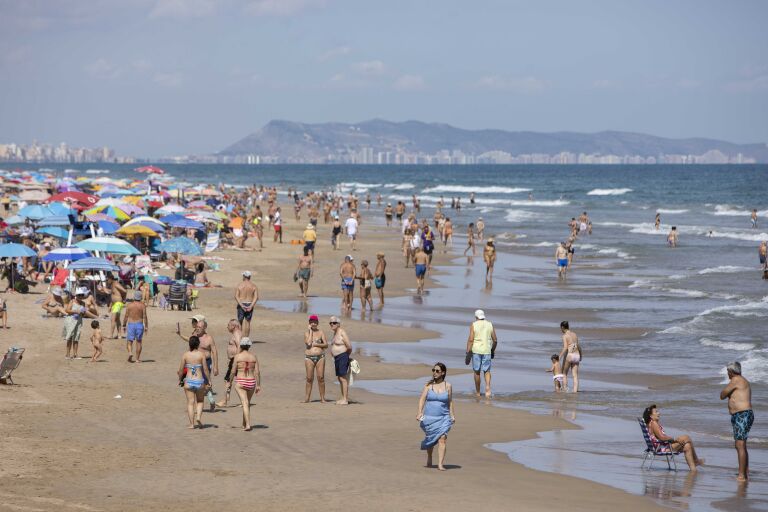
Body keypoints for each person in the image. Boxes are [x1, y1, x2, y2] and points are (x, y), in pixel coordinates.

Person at [643, 404, 704, 473]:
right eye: (656, 412)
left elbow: (660, 438)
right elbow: (662, 437)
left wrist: (673, 440)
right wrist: (675, 439)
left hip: (660, 446)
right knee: (687, 437)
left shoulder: (650, 424)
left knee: (687, 446)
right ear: (651, 416)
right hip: (661, 448)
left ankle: (693, 471)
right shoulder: (654, 423)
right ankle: (696, 460)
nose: (659, 413)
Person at [416, 362, 455, 471]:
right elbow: (422, 399)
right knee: (431, 440)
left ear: (443, 373)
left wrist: (452, 415)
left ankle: (440, 464)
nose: (434, 373)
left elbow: (450, 401)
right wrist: (419, 412)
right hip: (430, 418)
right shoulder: (428, 386)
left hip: (443, 417)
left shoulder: (448, 386)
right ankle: (429, 456)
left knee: (442, 439)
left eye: (437, 371)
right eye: (433, 370)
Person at [720, 361, 753, 481]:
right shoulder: (741, 381)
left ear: (732, 372)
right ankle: (745, 471)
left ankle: (742, 475)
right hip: (742, 415)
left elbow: (722, 394)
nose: (728, 374)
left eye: (728, 372)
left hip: (742, 414)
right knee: (741, 444)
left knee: (740, 444)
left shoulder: (736, 380)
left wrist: (728, 394)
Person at [178, 336, 210, 429]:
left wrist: (180, 379)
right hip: (199, 381)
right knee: (200, 401)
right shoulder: (201, 355)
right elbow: (205, 369)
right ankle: (199, 417)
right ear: (198, 344)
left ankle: (192, 424)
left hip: (188, 381)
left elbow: (180, 370)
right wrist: (209, 380)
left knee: (190, 403)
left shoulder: (185, 355)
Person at [465, 309, 497, 398]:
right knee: (487, 371)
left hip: (476, 351)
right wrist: (492, 350)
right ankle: (487, 387)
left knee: (477, 372)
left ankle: (478, 392)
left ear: (476, 317)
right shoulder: (490, 324)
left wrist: (468, 352)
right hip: (487, 350)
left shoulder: (474, 324)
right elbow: (495, 340)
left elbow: (471, 339)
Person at [231, 337, 261, 431]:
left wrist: (229, 381)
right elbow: (257, 372)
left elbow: (233, 371)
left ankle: (248, 425)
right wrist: (258, 385)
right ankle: (244, 424)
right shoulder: (253, 357)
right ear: (249, 346)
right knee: (247, 403)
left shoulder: (238, 357)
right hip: (251, 382)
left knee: (244, 403)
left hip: (241, 381)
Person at [63, 288, 97, 359]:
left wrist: (83, 313)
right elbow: (67, 310)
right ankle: (67, 354)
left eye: (82, 295)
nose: (80, 297)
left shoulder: (83, 303)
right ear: (76, 295)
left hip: (78, 322)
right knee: (70, 338)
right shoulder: (72, 301)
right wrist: (76, 311)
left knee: (76, 338)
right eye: (79, 295)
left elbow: (83, 313)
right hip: (70, 321)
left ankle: (75, 354)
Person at [303, 314, 328, 403]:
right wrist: (310, 331)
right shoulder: (306, 333)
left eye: (315, 322)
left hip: (320, 357)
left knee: (321, 377)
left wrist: (316, 344)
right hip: (309, 358)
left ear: (317, 323)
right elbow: (309, 344)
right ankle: (307, 398)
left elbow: (326, 345)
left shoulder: (321, 332)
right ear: (309, 323)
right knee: (309, 378)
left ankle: (322, 398)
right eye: (312, 322)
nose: (313, 323)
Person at [218, 319, 242, 408]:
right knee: (228, 380)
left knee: (229, 380)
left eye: (228, 325)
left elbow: (239, 346)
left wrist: (236, 359)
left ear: (234, 326)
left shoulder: (237, 334)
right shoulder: (236, 333)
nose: (227, 326)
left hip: (236, 360)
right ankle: (226, 399)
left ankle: (225, 401)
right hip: (233, 359)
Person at [329, 316, 352, 405]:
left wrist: (345, 356)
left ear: (338, 324)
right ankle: (343, 397)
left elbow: (349, 346)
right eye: (330, 323)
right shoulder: (335, 333)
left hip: (342, 356)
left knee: (343, 378)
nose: (332, 324)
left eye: (334, 323)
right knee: (339, 378)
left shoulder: (342, 332)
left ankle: (345, 399)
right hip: (337, 358)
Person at [123, 290, 149, 363]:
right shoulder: (142, 306)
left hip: (131, 324)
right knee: (139, 342)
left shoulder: (129, 305)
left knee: (129, 341)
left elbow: (126, 316)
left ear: (134, 297)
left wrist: (124, 325)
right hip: (139, 324)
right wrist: (146, 326)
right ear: (140, 298)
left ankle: (130, 352)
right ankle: (137, 359)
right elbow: (145, 317)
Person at [558, 321, 581, 392]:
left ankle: (565, 390)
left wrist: (559, 357)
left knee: (564, 374)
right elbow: (578, 346)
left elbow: (565, 348)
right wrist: (581, 355)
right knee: (575, 375)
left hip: (570, 355)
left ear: (562, 327)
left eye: (560, 328)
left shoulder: (565, 336)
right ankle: (575, 391)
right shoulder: (575, 334)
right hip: (577, 355)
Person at [235, 270, 258, 337]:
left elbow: (236, 296)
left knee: (240, 322)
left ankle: (240, 337)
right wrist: (251, 306)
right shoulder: (253, 286)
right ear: (249, 277)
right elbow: (256, 297)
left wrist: (241, 305)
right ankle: (246, 338)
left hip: (241, 303)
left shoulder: (240, 285)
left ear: (244, 277)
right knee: (247, 322)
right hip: (249, 303)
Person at [106, 273, 127, 339]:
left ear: (110, 279)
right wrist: (110, 306)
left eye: (107, 280)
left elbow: (124, 291)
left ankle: (111, 335)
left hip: (118, 303)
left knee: (113, 319)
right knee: (117, 319)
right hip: (115, 304)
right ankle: (119, 334)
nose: (107, 281)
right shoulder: (112, 285)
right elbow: (113, 296)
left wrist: (124, 299)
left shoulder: (116, 284)